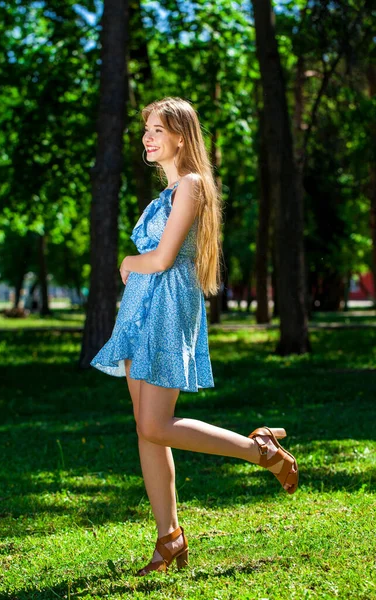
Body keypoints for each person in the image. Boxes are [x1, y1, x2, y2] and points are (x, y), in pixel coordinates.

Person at [90, 97, 298, 576]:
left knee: (156, 425)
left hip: (166, 307)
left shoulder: (192, 185)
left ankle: (260, 451)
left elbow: (162, 260)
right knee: (147, 430)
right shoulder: (164, 193)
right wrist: (136, 270)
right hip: (141, 309)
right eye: (145, 129)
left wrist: (127, 263)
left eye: (157, 129)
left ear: (181, 136)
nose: (147, 137)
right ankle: (169, 539)